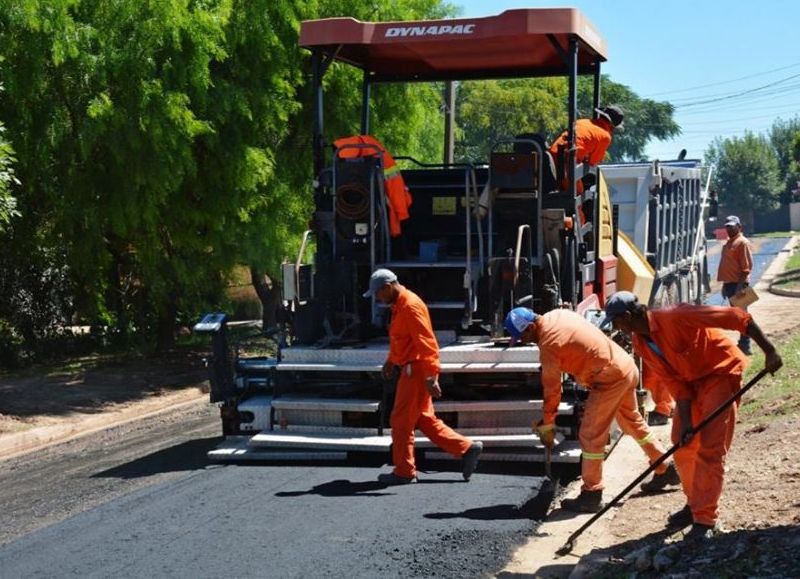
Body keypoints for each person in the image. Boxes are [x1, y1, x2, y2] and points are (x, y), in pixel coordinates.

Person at [603, 291, 782, 540]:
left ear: (626, 316)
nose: (616, 328)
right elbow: (674, 383)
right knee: (682, 444)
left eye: (616, 322)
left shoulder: (677, 315)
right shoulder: (640, 343)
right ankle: (694, 504)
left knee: (711, 447)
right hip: (692, 385)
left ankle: (705, 520)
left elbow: (738, 317)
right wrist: (686, 424)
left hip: (720, 373)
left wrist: (770, 351)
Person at [503, 307, 679, 513]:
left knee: (590, 435)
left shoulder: (549, 344)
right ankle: (664, 467)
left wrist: (548, 423)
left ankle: (592, 494)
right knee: (631, 421)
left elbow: (552, 390)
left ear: (531, 327)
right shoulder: (557, 314)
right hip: (624, 367)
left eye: (523, 337)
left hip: (610, 379)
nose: (525, 342)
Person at [364, 268, 483, 485]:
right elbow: (404, 340)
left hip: (415, 371)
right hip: (412, 368)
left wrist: (431, 376)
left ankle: (404, 471)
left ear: (388, 287)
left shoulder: (410, 307)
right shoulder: (399, 305)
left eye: (378, 293)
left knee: (400, 421)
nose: (377, 298)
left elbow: (427, 343)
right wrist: (391, 360)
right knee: (424, 419)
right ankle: (466, 448)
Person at [549, 105, 625, 194]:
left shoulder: (582, 122)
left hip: (551, 156)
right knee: (578, 193)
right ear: (612, 125)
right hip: (565, 166)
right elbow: (592, 162)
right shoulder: (605, 136)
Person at [717, 215, 754, 354]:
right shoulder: (729, 243)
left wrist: (739, 288)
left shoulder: (742, 243)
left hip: (739, 285)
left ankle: (746, 345)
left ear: (739, 227)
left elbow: (746, 268)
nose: (729, 229)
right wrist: (725, 286)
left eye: (732, 226)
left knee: (743, 316)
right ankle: (743, 344)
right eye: (727, 226)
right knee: (738, 316)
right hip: (730, 285)